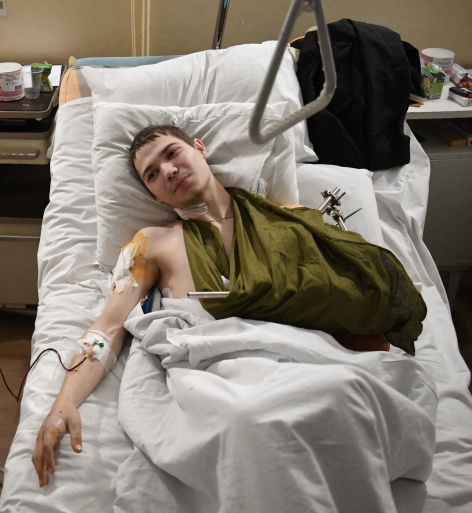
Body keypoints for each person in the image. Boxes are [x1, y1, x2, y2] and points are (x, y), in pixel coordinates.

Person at [31, 124, 426, 488]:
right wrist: (64, 402)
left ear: (199, 149)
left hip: (306, 363)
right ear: (154, 195)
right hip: (222, 376)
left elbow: (351, 293)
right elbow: (108, 328)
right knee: (247, 417)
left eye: (172, 154)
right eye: (152, 174)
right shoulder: (151, 243)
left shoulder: (291, 222)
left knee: (344, 393)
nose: (167, 171)